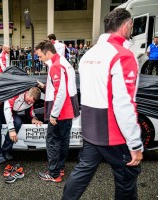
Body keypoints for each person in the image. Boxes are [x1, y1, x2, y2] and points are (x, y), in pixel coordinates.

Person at [62, 8, 143, 200]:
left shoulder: (88, 55)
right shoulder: (123, 55)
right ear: (126, 26)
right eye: (131, 26)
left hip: (90, 128)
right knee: (126, 177)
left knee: (83, 170)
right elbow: (125, 103)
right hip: (114, 132)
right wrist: (135, 144)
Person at [35, 40, 79, 183]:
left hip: (60, 112)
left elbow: (61, 92)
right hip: (68, 111)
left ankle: (54, 174)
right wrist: (45, 86)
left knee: (52, 141)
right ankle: (59, 168)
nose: (40, 59)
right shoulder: (64, 63)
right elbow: (61, 86)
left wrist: (54, 114)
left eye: (40, 56)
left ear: (48, 53)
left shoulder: (56, 66)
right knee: (63, 140)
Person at [0, 87, 43, 164]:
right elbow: (7, 110)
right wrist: (11, 130)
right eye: (30, 101)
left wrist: (33, 118)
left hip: (11, 112)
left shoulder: (31, 100)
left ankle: (6, 150)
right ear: (27, 94)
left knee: (18, 122)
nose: (30, 103)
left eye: (32, 102)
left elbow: (30, 111)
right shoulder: (17, 93)